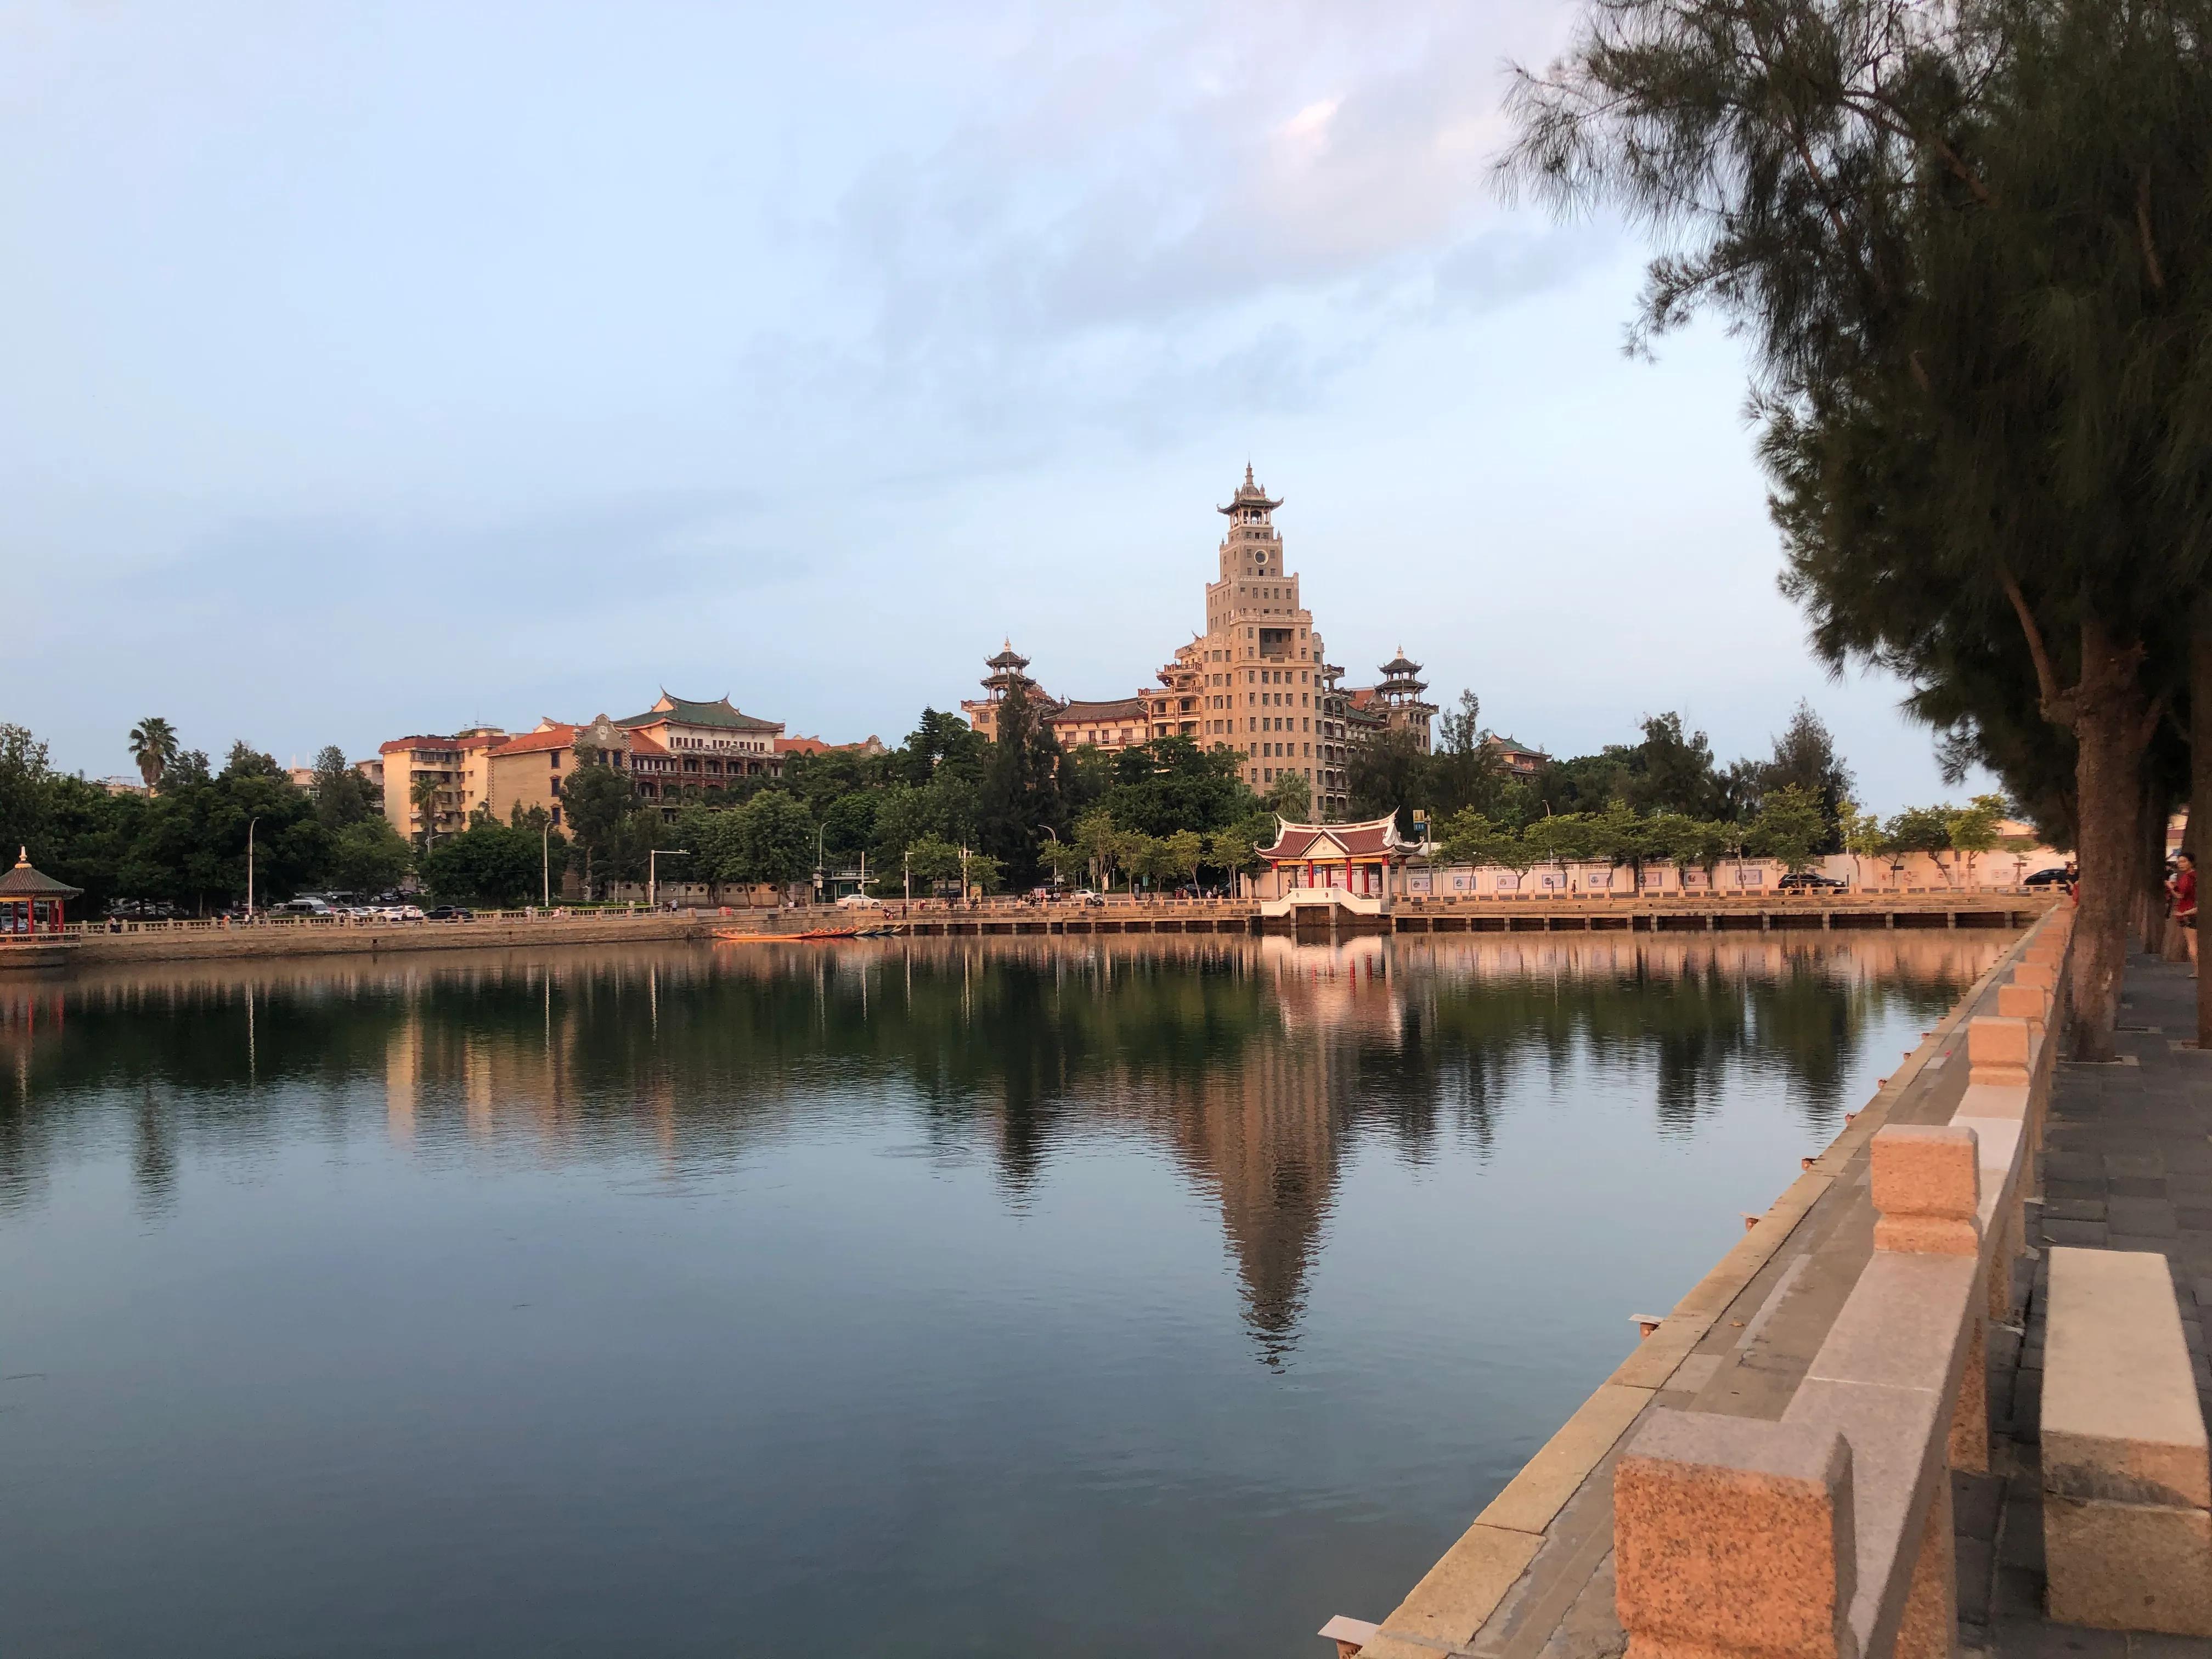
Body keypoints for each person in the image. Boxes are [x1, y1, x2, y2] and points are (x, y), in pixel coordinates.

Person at [2174, 852, 2198, 973]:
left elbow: (2180, 895)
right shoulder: (2198, 876)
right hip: (2196, 910)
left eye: (2184, 861)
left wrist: (2170, 887)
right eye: (2179, 862)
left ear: (2191, 863)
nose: (2180, 864)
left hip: (2188, 912)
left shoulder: (2186, 878)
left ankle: (2197, 971)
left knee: (2192, 944)